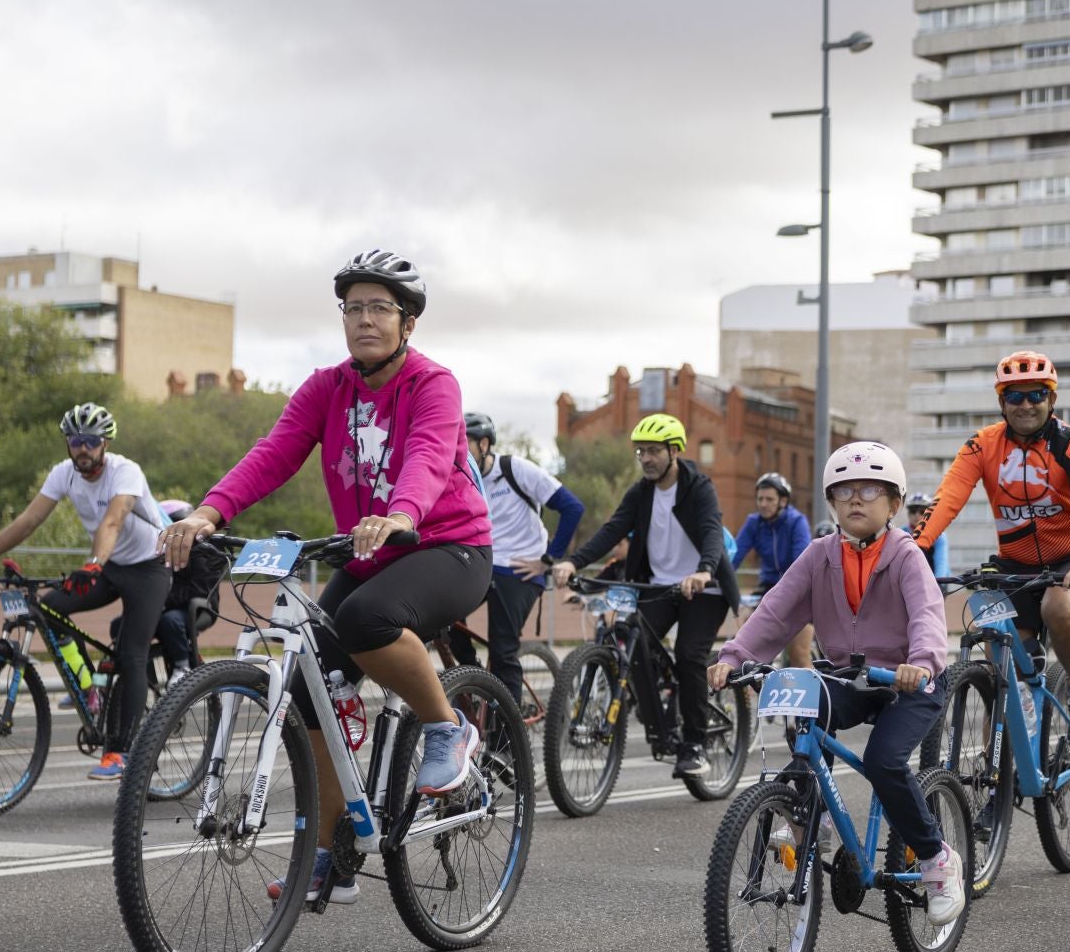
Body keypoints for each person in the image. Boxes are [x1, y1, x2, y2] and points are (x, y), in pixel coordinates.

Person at [159, 249, 492, 907]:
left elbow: (427, 456)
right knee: (310, 688)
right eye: (354, 307)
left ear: (408, 322)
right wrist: (207, 510)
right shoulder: (326, 388)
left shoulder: (435, 384)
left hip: (447, 546)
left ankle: (446, 727)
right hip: (369, 553)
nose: (365, 319)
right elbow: (273, 453)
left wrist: (398, 513)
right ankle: (331, 850)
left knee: (366, 620)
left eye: (380, 308)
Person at [708, 441, 964, 925]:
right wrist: (735, 657)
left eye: (870, 489)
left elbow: (928, 616)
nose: (856, 499)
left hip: (910, 681)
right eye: (844, 490)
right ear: (831, 502)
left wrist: (923, 662)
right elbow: (776, 613)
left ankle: (937, 860)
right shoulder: (819, 556)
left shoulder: (907, 556)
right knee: (807, 704)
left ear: (893, 503)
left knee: (883, 761)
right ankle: (813, 815)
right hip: (850, 676)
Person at [0, 403, 173, 781]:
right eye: (75, 441)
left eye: (90, 441)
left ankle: (120, 753)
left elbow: (113, 520)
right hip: (107, 566)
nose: (82, 448)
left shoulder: (126, 472)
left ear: (104, 443)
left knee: (131, 655)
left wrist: (93, 564)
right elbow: (28, 520)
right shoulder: (63, 475)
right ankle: (90, 689)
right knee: (49, 611)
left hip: (149, 567)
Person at [910, 350, 1070, 742]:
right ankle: (995, 775)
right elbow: (946, 499)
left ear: (1052, 399)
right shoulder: (982, 446)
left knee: (1058, 607)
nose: (1026, 405)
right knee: (1003, 665)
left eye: (1036, 394)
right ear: (1001, 402)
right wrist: (913, 548)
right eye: (1015, 396)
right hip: (1015, 566)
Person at [551, 413, 740, 779]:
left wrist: (704, 570)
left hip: (704, 588)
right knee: (630, 642)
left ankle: (695, 744)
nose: (646, 459)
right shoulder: (641, 493)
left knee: (688, 654)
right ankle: (661, 711)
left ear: (674, 451)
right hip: (659, 586)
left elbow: (711, 530)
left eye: (653, 451)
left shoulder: (698, 487)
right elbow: (612, 531)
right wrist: (574, 563)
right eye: (641, 452)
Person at [452, 412, 584, 705]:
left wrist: (549, 559)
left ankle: (509, 741)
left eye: (464, 442)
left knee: (502, 649)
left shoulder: (515, 469)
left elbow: (572, 507)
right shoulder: (460, 479)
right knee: (444, 620)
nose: (456, 449)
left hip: (519, 570)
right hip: (482, 565)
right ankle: (472, 679)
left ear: (484, 444)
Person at [734, 472, 814, 666]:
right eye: (760, 499)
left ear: (783, 501)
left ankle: (818, 695)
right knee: (748, 643)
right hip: (769, 586)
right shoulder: (754, 523)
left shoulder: (797, 522)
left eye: (769, 499)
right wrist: (720, 577)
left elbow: (801, 564)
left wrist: (785, 596)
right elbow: (735, 555)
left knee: (798, 654)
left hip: (799, 590)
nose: (763, 504)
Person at [152, 499, 224, 679]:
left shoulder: (203, 552)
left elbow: (199, 590)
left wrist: (162, 600)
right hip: (168, 606)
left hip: (198, 607)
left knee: (170, 621)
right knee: (120, 625)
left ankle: (182, 667)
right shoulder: (163, 552)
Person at [905, 492, 951, 579]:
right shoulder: (902, 533)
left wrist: (938, 582)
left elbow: (941, 561)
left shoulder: (938, 534)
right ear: (908, 514)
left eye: (922, 511)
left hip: (936, 578)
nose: (917, 515)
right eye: (913, 511)